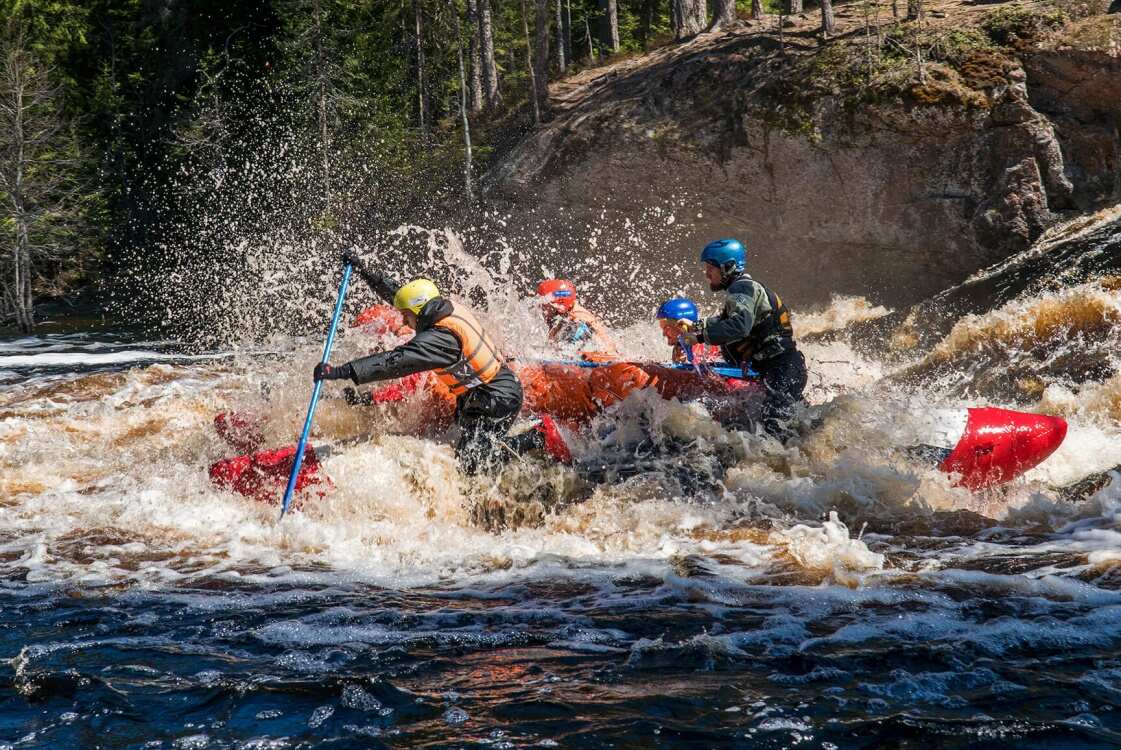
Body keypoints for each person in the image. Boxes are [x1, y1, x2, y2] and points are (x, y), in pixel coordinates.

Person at [315, 253, 572, 473]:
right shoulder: (443, 307)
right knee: (473, 448)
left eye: (406, 317)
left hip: (496, 398)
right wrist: (364, 271)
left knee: (473, 464)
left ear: (417, 311)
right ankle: (526, 443)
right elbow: (398, 293)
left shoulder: (440, 338)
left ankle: (539, 437)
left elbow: (395, 361)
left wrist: (340, 371)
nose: (404, 323)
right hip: (487, 394)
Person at [677, 239, 807, 440]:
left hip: (783, 369)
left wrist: (700, 337)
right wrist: (697, 325)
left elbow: (739, 326)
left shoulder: (742, 289)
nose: (706, 274)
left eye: (710, 268)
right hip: (782, 368)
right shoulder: (744, 289)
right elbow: (726, 321)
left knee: (775, 430)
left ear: (727, 267)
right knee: (783, 427)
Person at [536, 279, 620, 358]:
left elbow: (566, 358)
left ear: (560, 304)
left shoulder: (577, 324)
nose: (541, 308)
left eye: (544, 305)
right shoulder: (564, 317)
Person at [655, 298, 721, 364]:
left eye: (666, 328)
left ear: (682, 326)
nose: (663, 334)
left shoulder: (698, 347)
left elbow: (698, 370)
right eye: (662, 329)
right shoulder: (680, 345)